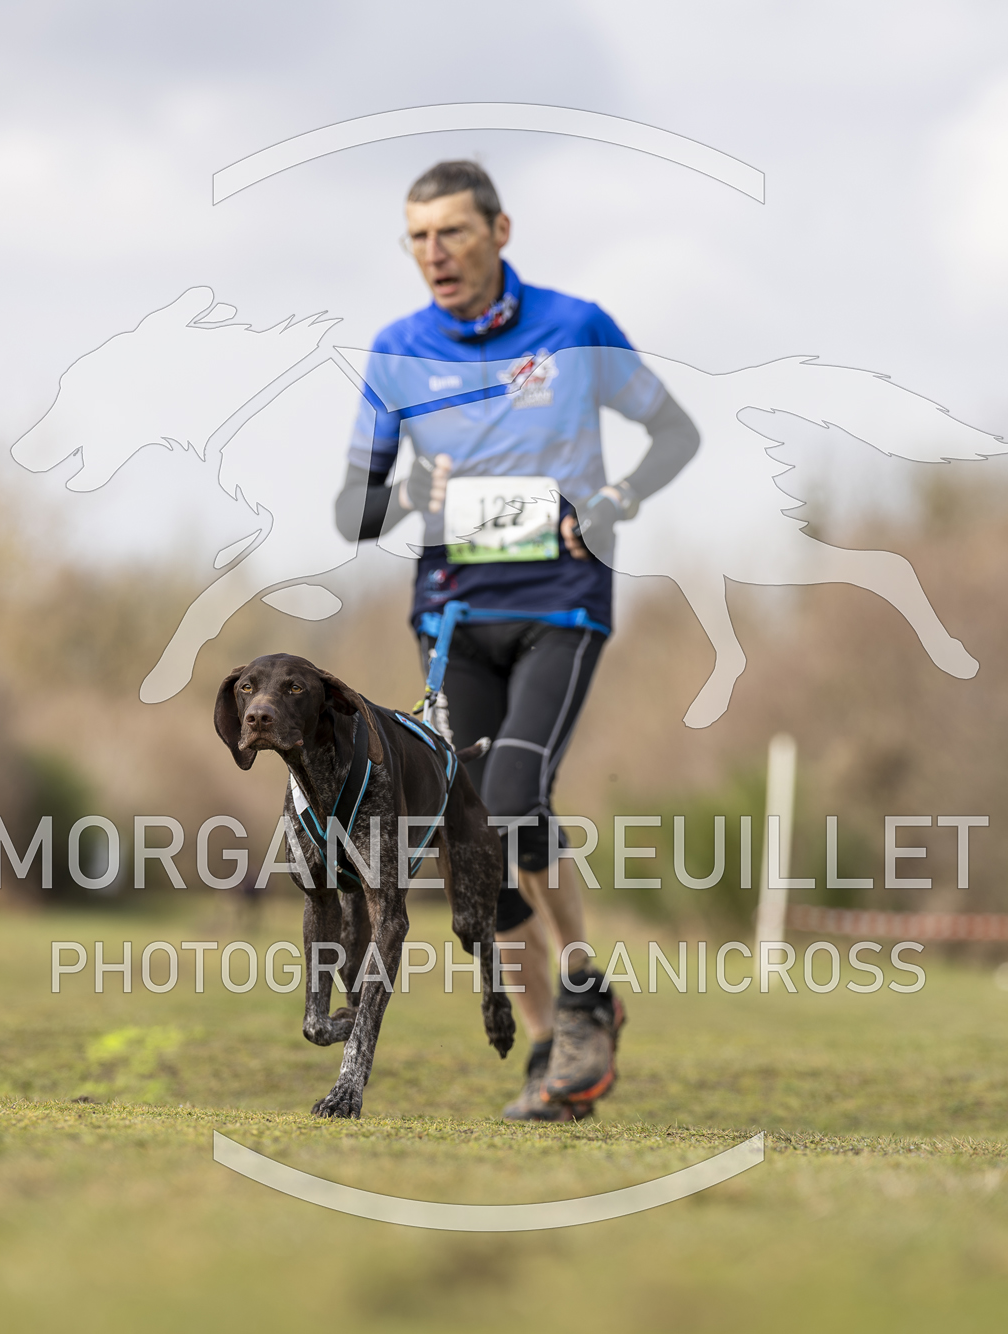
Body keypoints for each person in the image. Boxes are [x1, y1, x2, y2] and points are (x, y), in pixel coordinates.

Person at [334, 160, 700, 1120]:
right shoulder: (396, 351)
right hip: (453, 613)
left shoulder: (575, 328)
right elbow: (352, 511)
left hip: (560, 603)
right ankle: (549, 1043)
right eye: (418, 238)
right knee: (471, 835)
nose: (435, 254)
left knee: (512, 796)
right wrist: (410, 494)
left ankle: (582, 990)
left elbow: (673, 434)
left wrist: (613, 502)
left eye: (452, 232)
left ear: (500, 231)